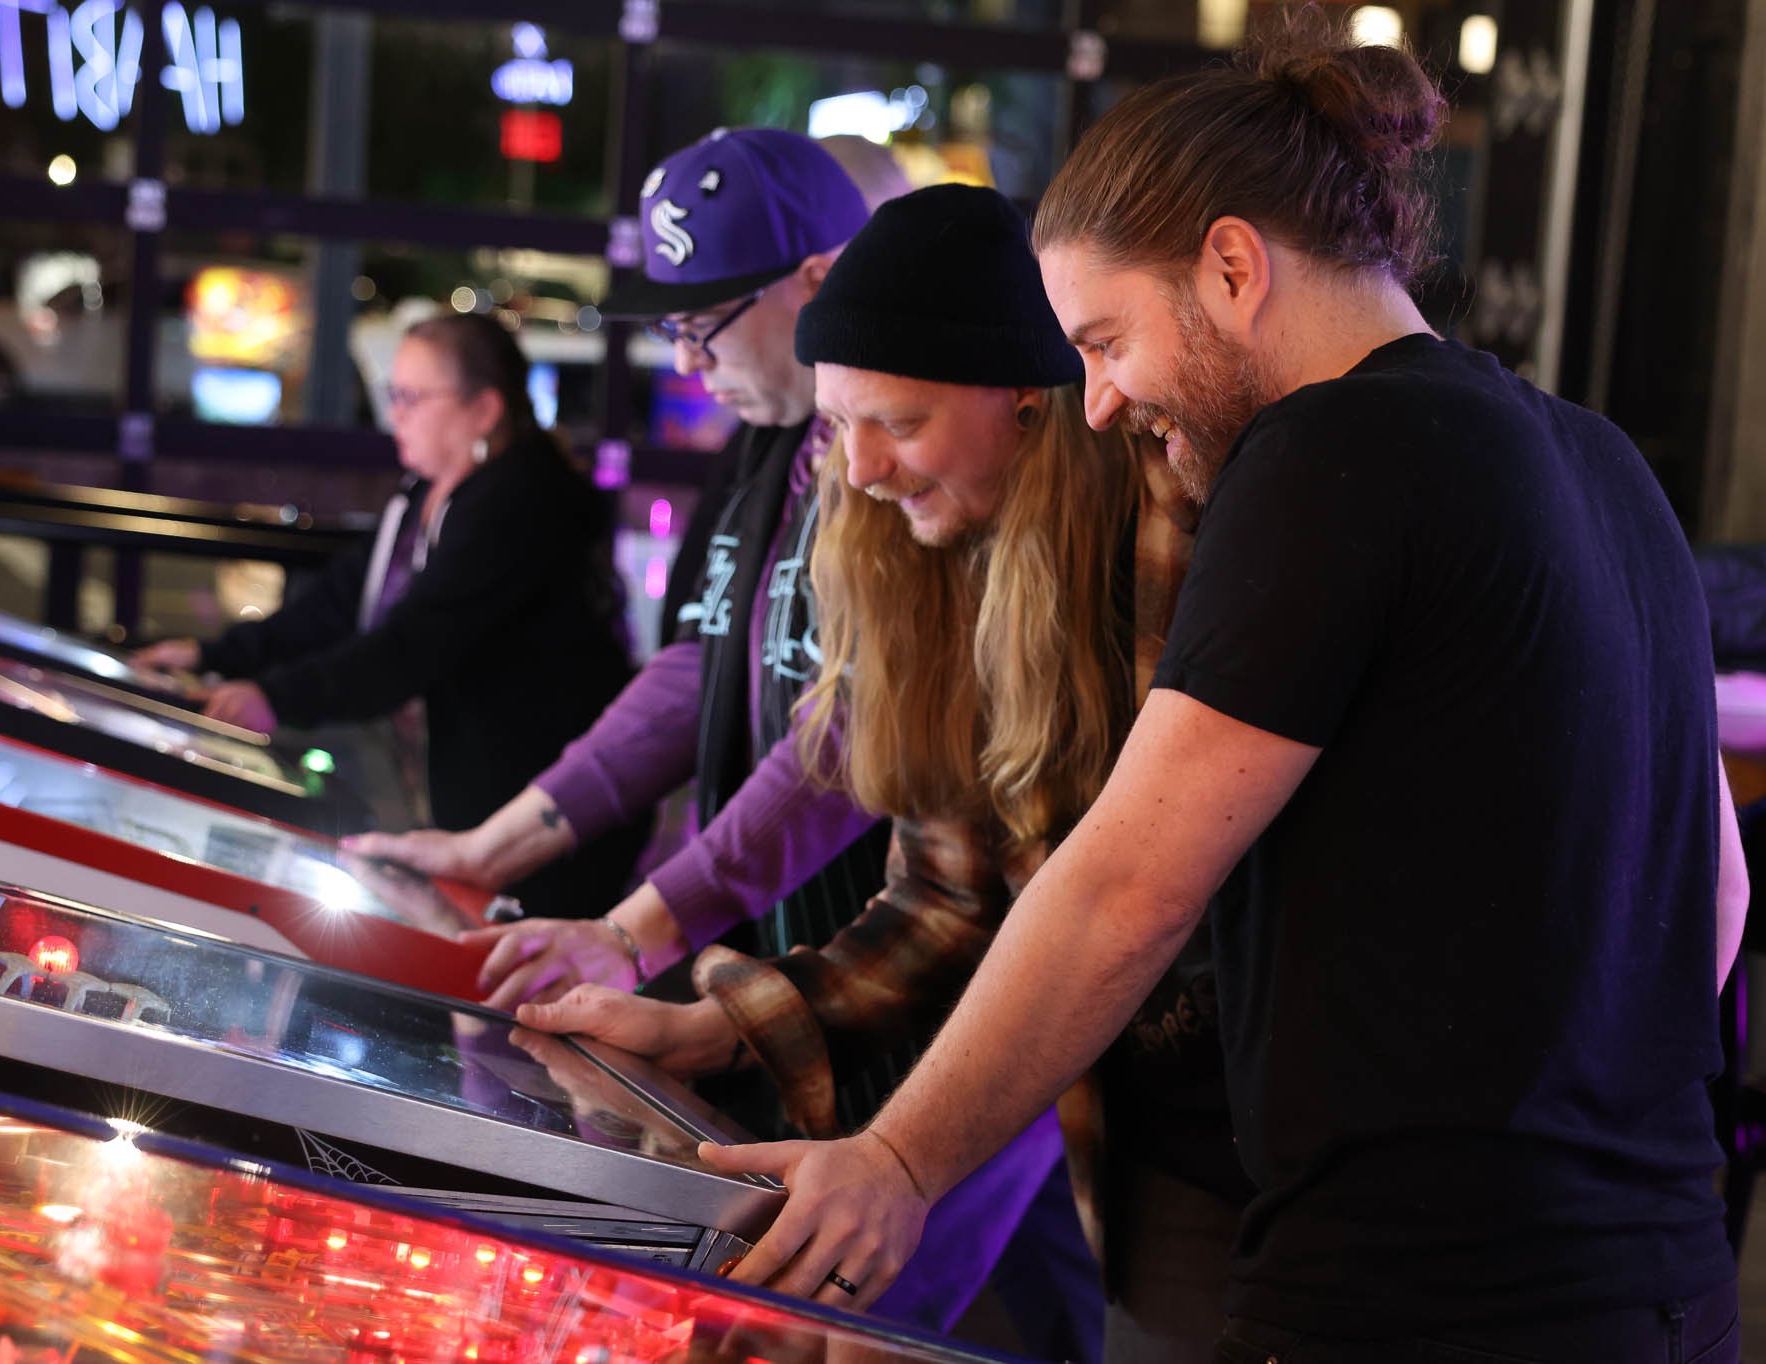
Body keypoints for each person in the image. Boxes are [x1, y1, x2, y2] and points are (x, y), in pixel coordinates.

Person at [685, 14, 1751, 1364]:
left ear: (1233, 266)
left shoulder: (1329, 451)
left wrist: (898, 1161)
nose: (1097, 405)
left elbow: (1130, 882)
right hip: (1657, 1279)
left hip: (1411, 1298)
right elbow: (1714, 895)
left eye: (1106, 339)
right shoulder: (1602, 460)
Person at [348, 146, 1103, 1354]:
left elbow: (1080, 904)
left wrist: (654, 934)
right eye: (845, 427)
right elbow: (942, 870)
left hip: (1019, 1050)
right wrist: (690, 987)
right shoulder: (810, 469)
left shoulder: (1098, 533)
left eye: (707, 322)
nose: (854, 465)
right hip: (888, 990)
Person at [515, 184, 1245, 1362]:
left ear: (1027, 394)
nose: (855, 470)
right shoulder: (945, 556)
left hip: (1278, 1140)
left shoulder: (1177, 531)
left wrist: (901, 1157)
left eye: (896, 422)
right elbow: (946, 894)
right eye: (838, 423)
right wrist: (714, 1025)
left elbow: (1131, 908)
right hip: (1135, 1137)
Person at [132, 312, 647, 921]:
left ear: (483, 410)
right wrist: (213, 656)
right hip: (481, 797)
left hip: (544, 809)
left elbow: (414, 644)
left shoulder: (522, 500)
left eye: (412, 397)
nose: (394, 413)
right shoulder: (424, 493)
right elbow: (340, 602)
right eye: (391, 394)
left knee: (527, 987)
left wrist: (275, 697)